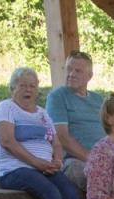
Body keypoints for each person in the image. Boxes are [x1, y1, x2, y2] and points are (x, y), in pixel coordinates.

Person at [0, 67, 86, 199]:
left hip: (44, 169)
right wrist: (37, 163)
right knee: (51, 191)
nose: (28, 89)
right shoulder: (6, 107)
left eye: (32, 86)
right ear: (12, 88)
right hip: (14, 170)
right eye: (22, 85)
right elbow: (7, 141)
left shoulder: (42, 113)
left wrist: (57, 161)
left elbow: (56, 143)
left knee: (69, 190)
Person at [44, 51, 105, 191]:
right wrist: (92, 159)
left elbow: (112, 130)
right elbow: (62, 137)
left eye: (78, 71)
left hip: (104, 157)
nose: (71, 74)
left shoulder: (99, 99)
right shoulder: (57, 97)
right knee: (89, 173)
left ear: (89, 76)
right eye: (69, 69)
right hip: (75, 160)